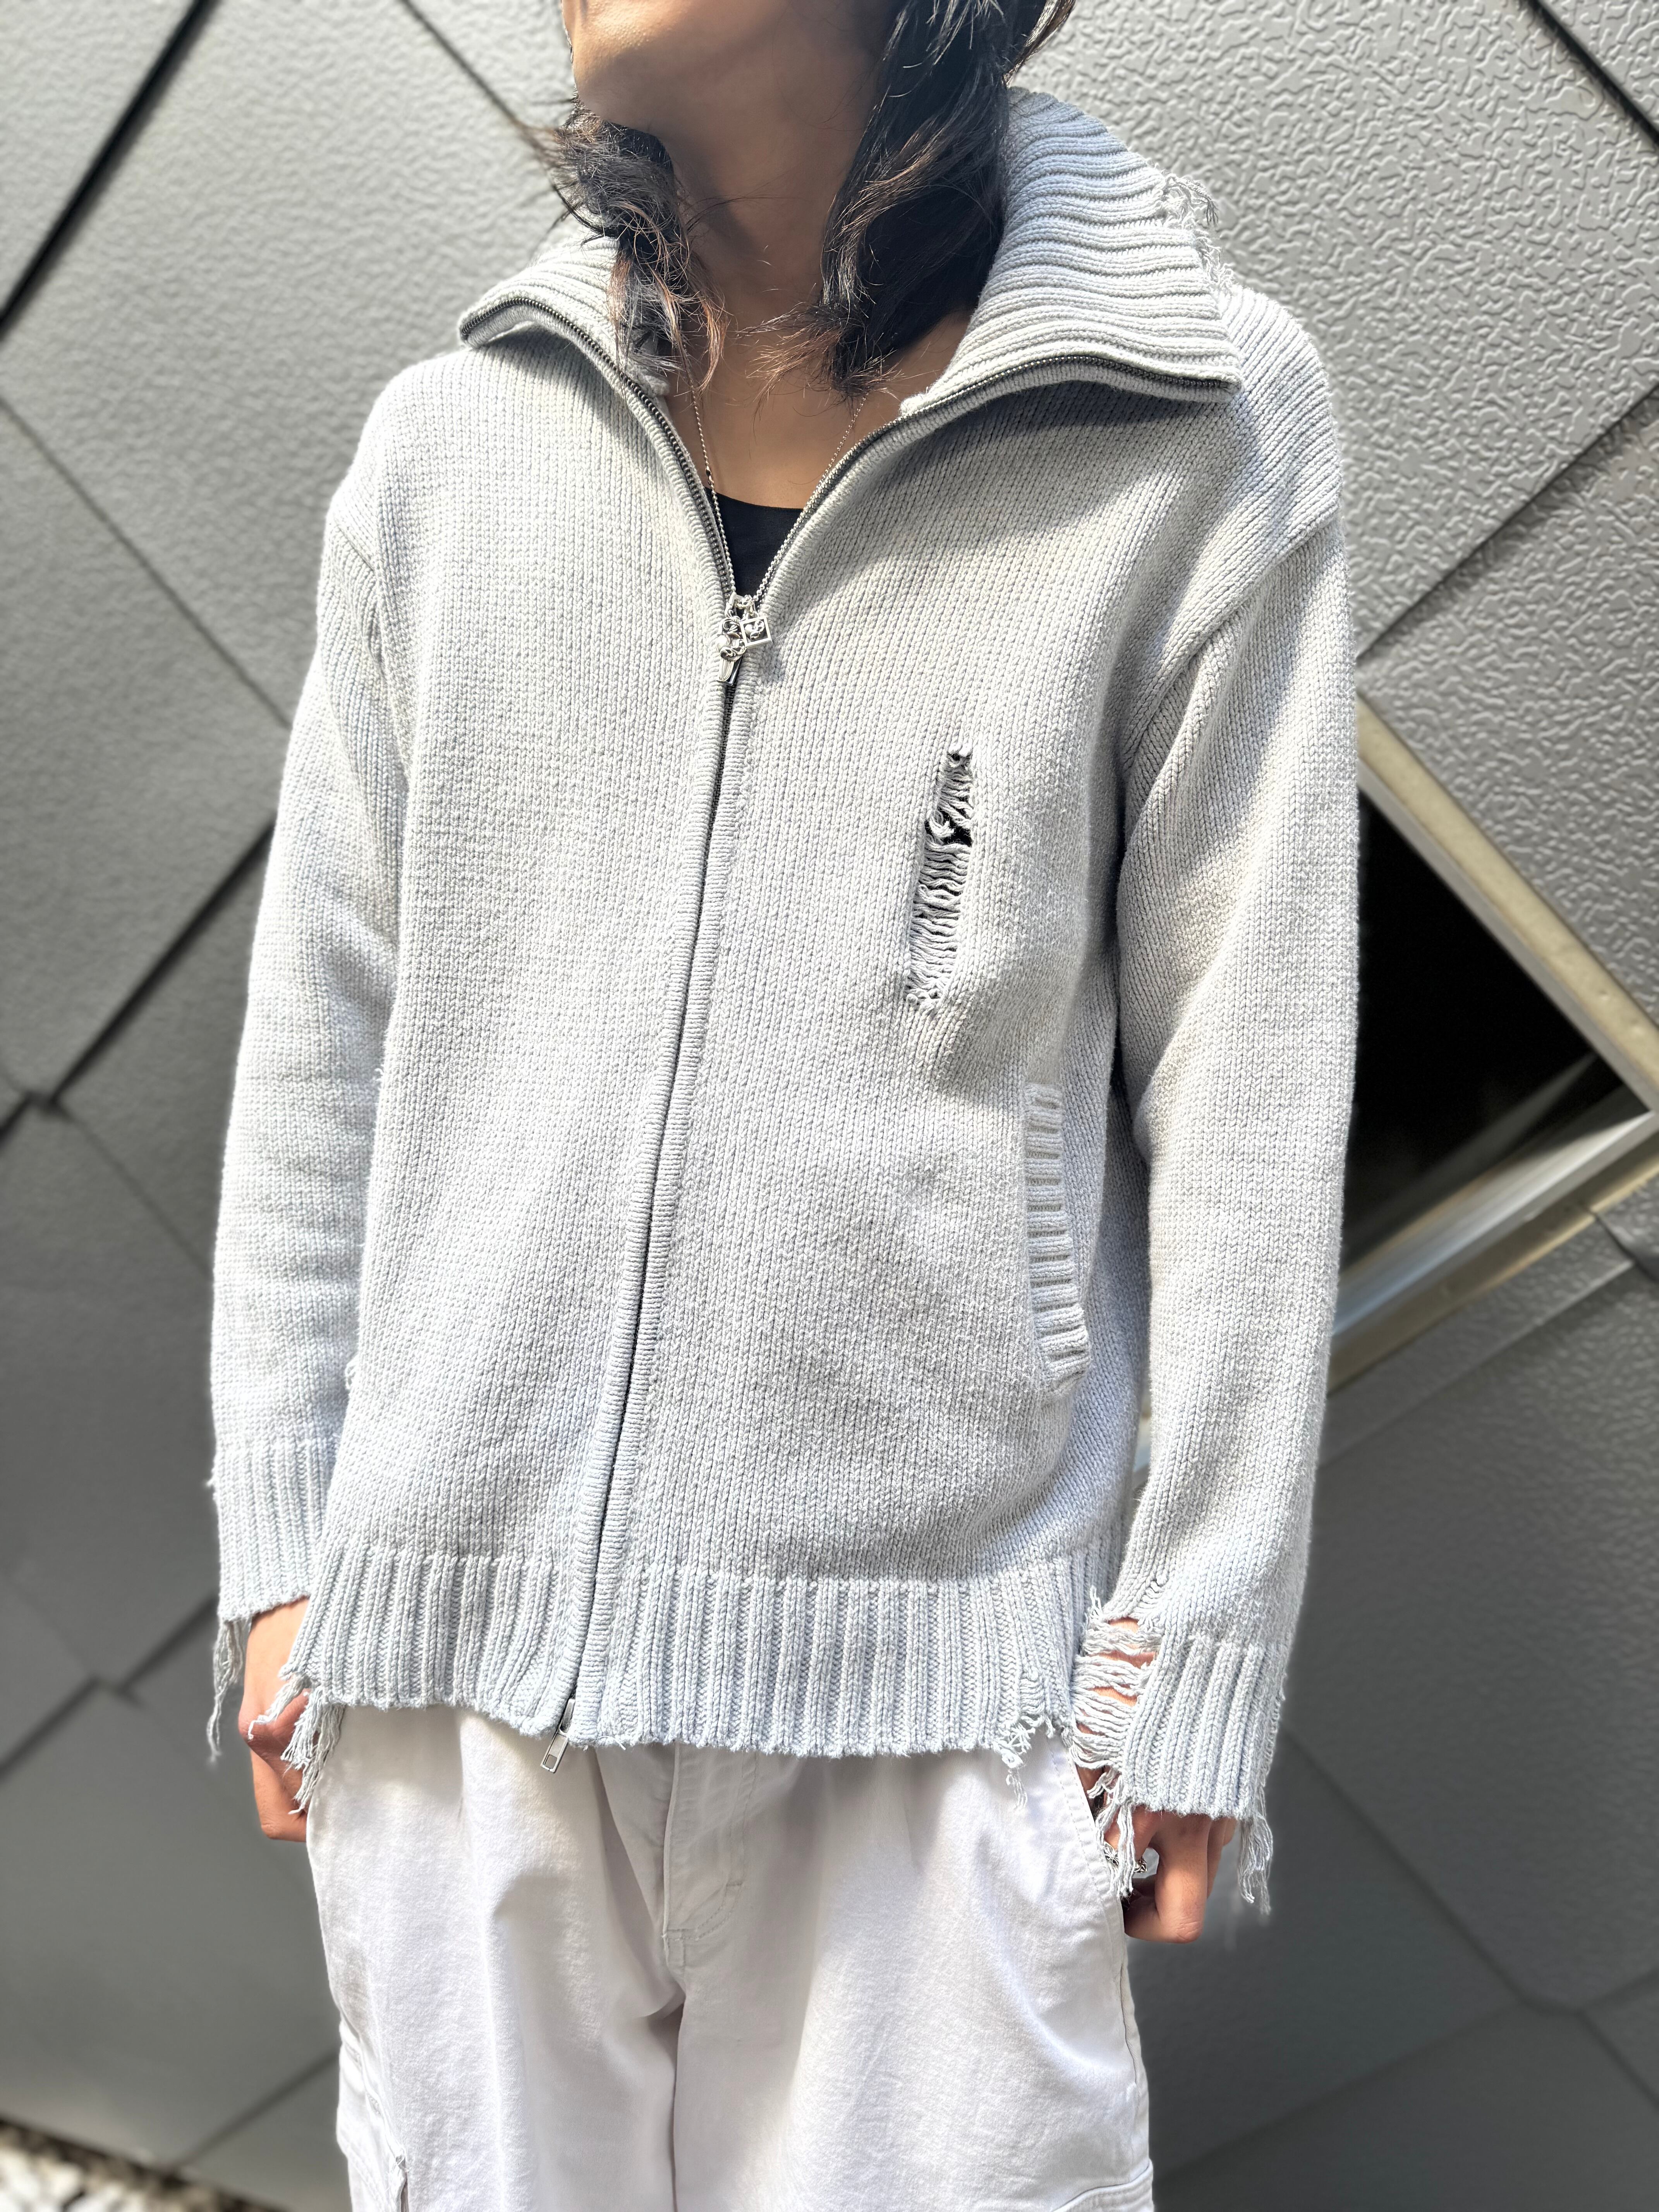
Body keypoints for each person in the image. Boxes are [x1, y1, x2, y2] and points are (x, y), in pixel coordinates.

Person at [211, 1, 1357, 2204]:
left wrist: (1194, 1640)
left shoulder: (1195, 420)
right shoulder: (451, 445)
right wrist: (288, 1536)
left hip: (937, 1700)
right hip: (458, 1682)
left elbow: (1251, 1068)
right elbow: (327, 1013)